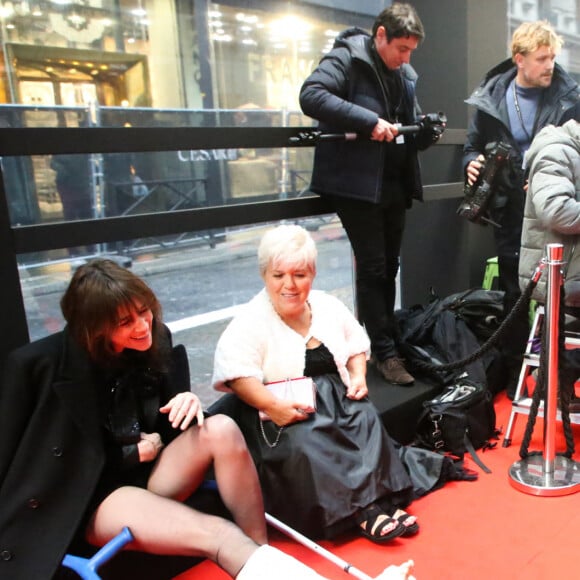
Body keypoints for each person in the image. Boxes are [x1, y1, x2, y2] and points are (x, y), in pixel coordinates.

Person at [0, 259, 416, 580]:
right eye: (125, 323)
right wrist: (129, 453)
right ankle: (252, 556)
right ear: (93, 329)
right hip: (96, 495)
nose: (143, 326)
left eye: (144, 312)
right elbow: (33, 461)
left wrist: (184, 401)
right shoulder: (37, 366)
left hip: (155, 471)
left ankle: (258, 555)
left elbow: (165, 426)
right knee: (218, 535)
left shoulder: (153, 338)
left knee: (220, 426)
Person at [211, 225, 469, 546]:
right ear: (265, 274)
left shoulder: (326, 305)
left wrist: (358, 375)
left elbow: (356, 345)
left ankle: (384, 502)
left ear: (313, 274)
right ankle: (363, 512)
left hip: (337, 399)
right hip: (285, 412)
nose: (289, 285)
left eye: (300, 275)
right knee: (312, 443)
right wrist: (271, 406)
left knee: (365, 419)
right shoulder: (251, 320)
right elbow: (237, 374)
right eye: (278, 276)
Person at [299, 3, 444, 386]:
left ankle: (388, 338)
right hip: (357, 185)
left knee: (389, 266)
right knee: (374, 267)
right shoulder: (347, 56)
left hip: (392, 182)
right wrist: (368, 122)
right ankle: (382, 351)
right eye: (401, 49)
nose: (406, 57)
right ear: (380, 35)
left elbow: (405, 125)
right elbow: (311, 95)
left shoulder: (403, 74)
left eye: (410, 50)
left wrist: (425, 131)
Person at [463, 20, 580, 399]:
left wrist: (548, 178)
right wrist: (472, 162)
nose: (550, 65)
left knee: (556, 293)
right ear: (520, 60)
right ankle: (517, 372)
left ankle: (556, 376)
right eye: (542, 58)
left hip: (552, 212)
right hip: (508, 207)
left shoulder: (568, 96)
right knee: (515, 291)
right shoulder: (491, 97)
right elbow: (472, 145)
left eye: (552, 57)